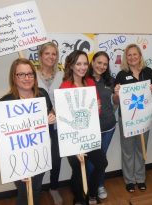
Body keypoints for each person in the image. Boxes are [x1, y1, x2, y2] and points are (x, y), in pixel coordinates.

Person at [0, 58, 56, 205]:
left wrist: (52, 116)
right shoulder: (4, 103)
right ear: (14, 77)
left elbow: (49, 113)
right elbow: (2, 138)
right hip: (18, 158)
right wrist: (15, 167)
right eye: (21, 74)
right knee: (24, 193)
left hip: (39, 153)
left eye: (30, 74)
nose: (27, 78)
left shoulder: (42, 94)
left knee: (36, 189)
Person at [60, 50, 108, 205]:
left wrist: (98, 107)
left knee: (101, 163)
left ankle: (92, 194)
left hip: (89, 134)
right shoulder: (65, 86)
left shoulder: (90, 82)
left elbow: (97, 110)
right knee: (78, 169)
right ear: (71, 65)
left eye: (85, 63)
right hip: (73, 138)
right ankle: (79, 199)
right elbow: (63, 118)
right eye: (78, 63)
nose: (82, 67)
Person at [113, 44, 152, 193]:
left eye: (135, 54)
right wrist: (117, 94)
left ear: (140, 56)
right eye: (129, 55)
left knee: (141, 148)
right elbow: (116, 101)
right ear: (126, 57)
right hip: (127, 119)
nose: (132, 57)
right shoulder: (121, 75)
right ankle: (129, 180)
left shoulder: (148, 72)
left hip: (144, 118)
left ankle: (140, 178)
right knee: (128, 150)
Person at [36, 42, 64, 205]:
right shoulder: (32, 75)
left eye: (54, 54)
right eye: (47, 53)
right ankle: (35, 190)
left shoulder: (62, 75)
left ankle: (54, 188)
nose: (51, 57)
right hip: (38, 124)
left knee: (56, 157)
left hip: (57, 124)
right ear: (40, 56)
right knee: (38, 157)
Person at [87, 51, 116, 199]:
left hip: (109, 126)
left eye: (105, 64)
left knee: (102, 159)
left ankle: (99, 185)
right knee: (93, 160)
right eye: (99, 62)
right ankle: (89, 188)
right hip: (91, 129)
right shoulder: (83, 79)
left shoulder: (110, 80)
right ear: (92, 62)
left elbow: (115, 103)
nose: (102, 66)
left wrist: (117, 95)